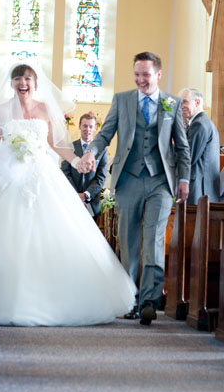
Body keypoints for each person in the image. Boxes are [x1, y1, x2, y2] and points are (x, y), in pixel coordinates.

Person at [0, 62, 135, 326]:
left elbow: (58, 144)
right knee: (8, 236)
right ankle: (8, 298)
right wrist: (11, 155)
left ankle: (57, 299)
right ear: (12, 83)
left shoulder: (45, 109)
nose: (22, 83)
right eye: (18, 79)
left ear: (36, 83)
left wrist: (77, 162)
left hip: (41, 176)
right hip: (12, 179)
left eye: (27, 78)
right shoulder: (1, 111)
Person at [79, 52, 190, 326]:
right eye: (137, 74)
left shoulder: (171, 103)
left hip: (160, 181)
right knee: (129, 241)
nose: (141, 79)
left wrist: (184, 179)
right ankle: (131, 300)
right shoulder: (122, 100)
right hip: (128, 178)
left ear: (158, 75)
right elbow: (105, 133)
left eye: (146, 75)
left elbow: (182, 147)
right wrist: (92, 151)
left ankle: (150, 302)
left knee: (153, 240)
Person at [60, 112, 108, 219]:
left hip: (91, 203)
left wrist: (85, 195)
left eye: (91, 126)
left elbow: (101, 178)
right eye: (85, 126)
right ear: (79, 126)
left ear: (95, 128)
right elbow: (65, 173)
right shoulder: (70, 147)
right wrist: (76, 195)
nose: (88, 129)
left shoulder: (102, 151)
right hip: (71, 199)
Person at [180, 88, 220, 205]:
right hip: (201, 188)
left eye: (185, 102)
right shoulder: (202, 122)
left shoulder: (199, 124)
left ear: (197, 102)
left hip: (198, 188)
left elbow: (188, 157)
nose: (182, 106)